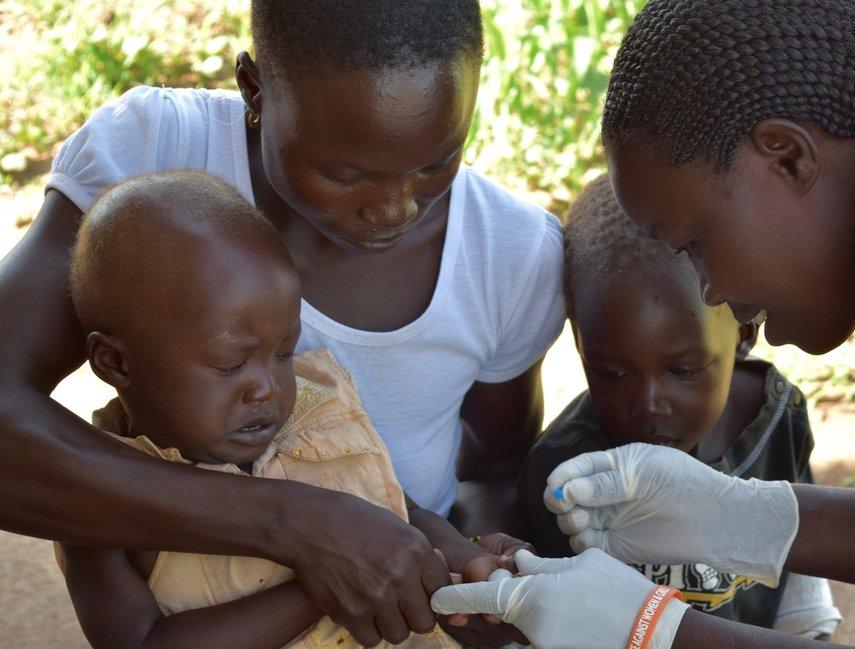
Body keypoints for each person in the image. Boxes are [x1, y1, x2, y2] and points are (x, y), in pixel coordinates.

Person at [0, 2, 563, 646]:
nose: (393, 208)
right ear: (255, 88)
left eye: (438, 162)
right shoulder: (153, 159)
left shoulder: (513, 255)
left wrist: (469, 565)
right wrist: (301, 531)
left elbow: (489, 474)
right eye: (343, 173)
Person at [432, 0, 855, 646]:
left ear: (787, 157)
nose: (712, 289)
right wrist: (746, 518)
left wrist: (654, 631)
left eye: (693, 243)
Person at [58, 170, 530, 649]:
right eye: (230, 363)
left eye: (283, 351)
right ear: (115, 363)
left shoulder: (317, 414)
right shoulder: (100, 496)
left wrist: (458, 555)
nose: (268, 387)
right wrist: (325, 578)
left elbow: (400, 512)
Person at [518, 174, 840, 637]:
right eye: (613, 373)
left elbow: (802, 584)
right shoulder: (568, 476)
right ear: (579, 343)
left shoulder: (777, 419)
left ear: (744, 333)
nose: (649, 405)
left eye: (684, 371)